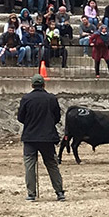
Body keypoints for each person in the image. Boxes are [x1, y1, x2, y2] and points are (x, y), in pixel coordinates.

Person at [17, 74, 65, 202]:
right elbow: (57, 117)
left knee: (29, 165)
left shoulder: (26, 98)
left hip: (30, 137)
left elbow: (20, 117)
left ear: (32, 85)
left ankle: (31, 194)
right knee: (52, 164)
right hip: (47, 137)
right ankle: (59, 192)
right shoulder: (51, 98)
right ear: (44, 85)